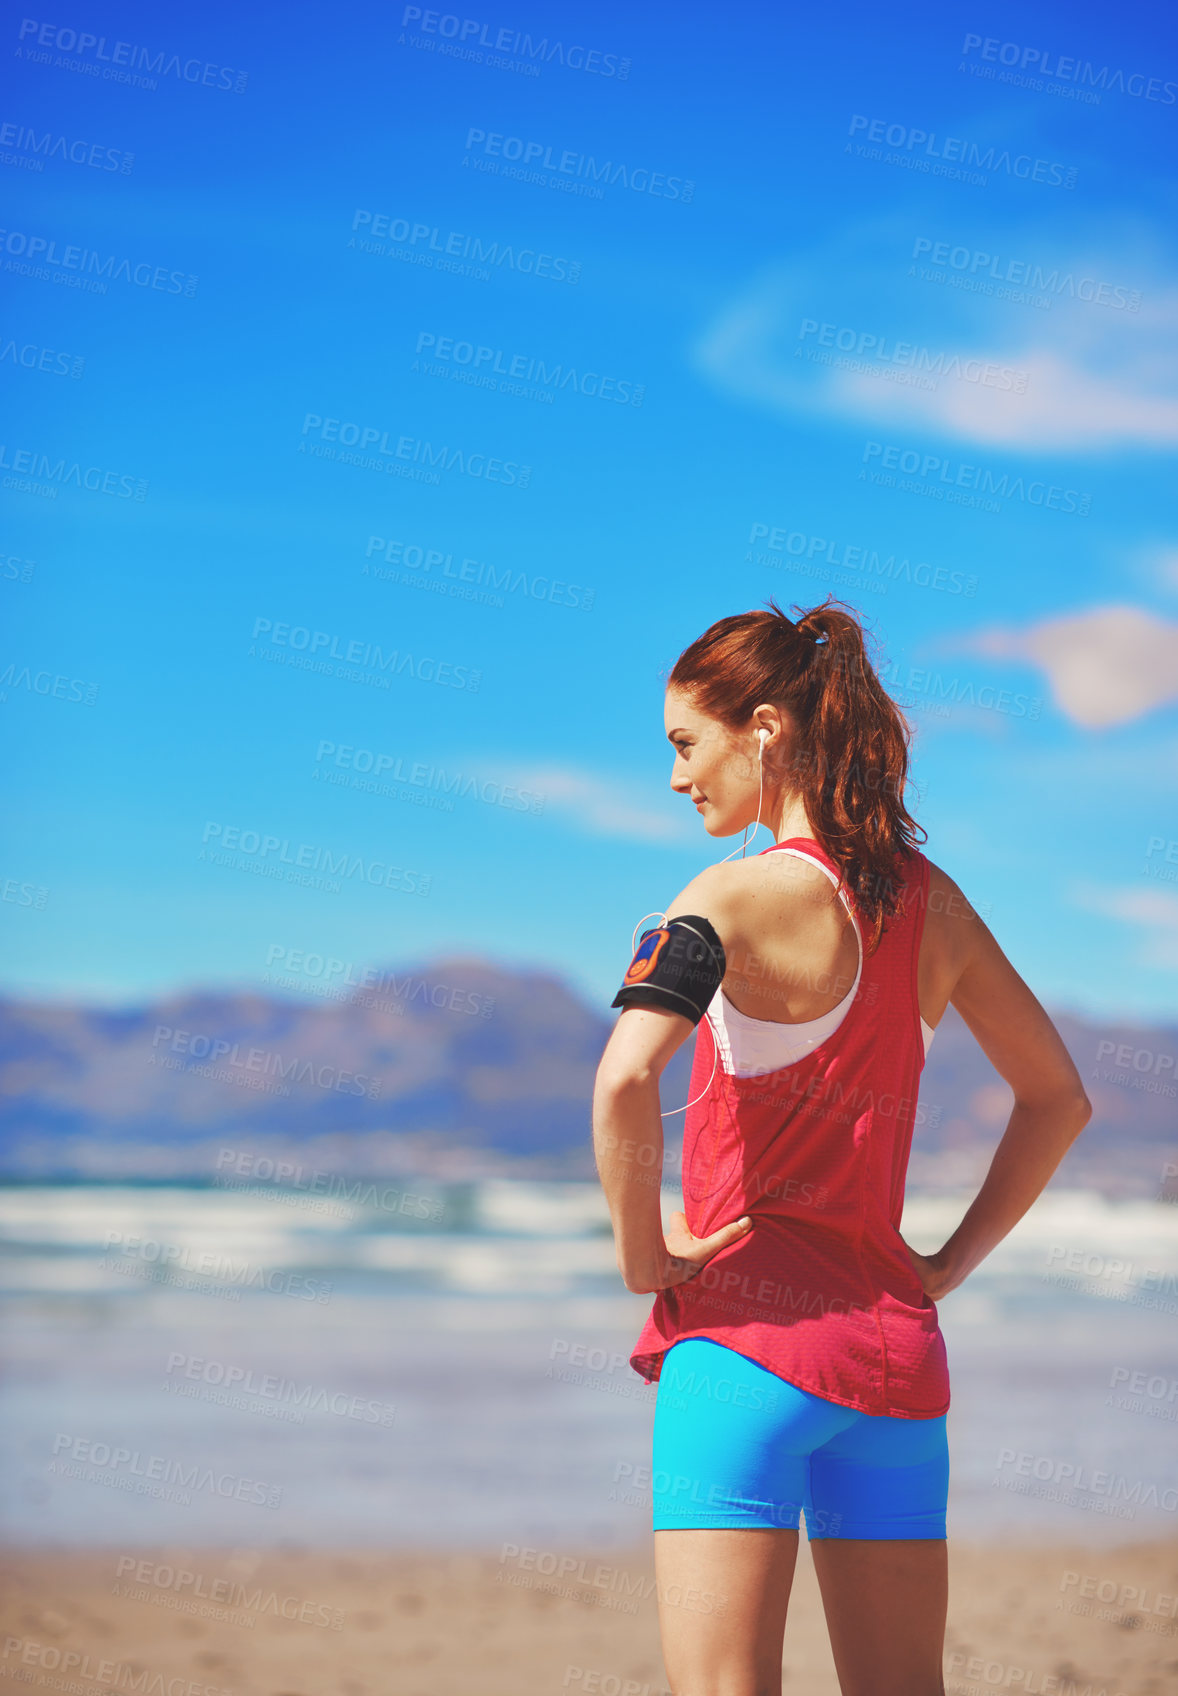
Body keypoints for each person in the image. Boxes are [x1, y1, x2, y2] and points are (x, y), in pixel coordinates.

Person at [591, 597, 1092, 1696]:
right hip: (893, 1366)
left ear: (763, 726)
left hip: (742, 1354)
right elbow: (1056, 1096)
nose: (676, 778)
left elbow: (625, 1075)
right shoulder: (934, 904)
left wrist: (642, 1249)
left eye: (685, 743)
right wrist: (947, 1264)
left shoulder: (727, 895)